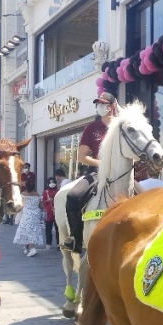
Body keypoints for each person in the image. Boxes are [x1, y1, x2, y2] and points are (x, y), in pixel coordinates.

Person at [60, 91, 118, 253]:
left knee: (144, 196)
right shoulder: (91, 128)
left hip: (121, 172)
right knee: (73, 197)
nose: (99, 107)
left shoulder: (122, 126)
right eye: (97, 104)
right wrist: (102, 163)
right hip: (96, 173)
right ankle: (76, 239)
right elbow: (82, 157)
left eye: (102, 104)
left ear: (111, 107)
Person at [13, 179, 43, 256]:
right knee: (33, 231)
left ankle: (32, 248)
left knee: (27, 230)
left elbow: (19, 204)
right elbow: (41, 206)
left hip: (26, 214)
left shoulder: (23, 194)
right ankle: (27, 247)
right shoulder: (38, 195)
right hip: (35, 214)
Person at [41, 176, 60, 248]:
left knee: (58, 229)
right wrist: (47, 201)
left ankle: (59, 243)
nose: (52, 184)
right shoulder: (45, 192)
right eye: (50, 182)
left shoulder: (58, 191)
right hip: (48, 212)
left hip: (57, 211)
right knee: (48, 229)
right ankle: (48, 243)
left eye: (53, 182)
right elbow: (42, 202)